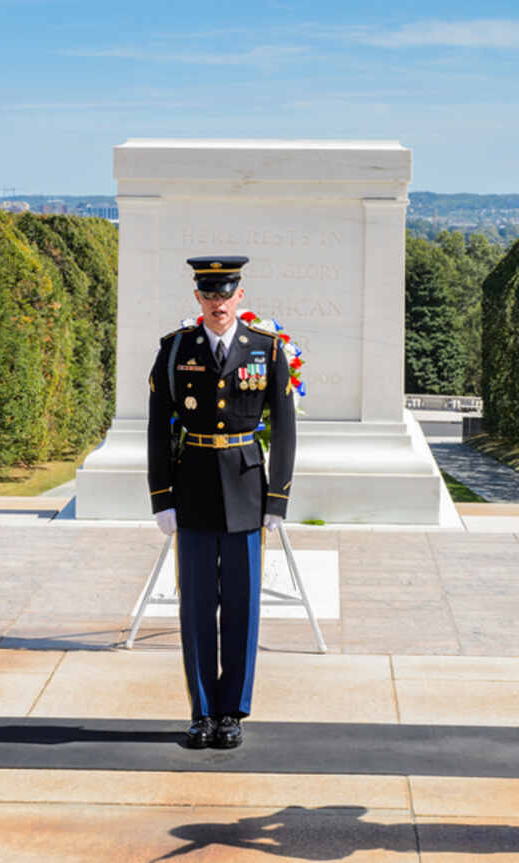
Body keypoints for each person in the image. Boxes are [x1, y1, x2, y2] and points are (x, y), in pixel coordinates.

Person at [146, 255, 297, 749]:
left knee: (240, 606)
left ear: (240, 297)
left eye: (225, 294)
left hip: (246, 489)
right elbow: (156, 427)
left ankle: (232, 710)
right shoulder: (176, 350)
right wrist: (161, 497)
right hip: (192, 487)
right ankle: (202, 712)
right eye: (209, 295)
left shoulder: (266, 350)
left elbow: (285, 430)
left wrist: (277, 498)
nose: (218, 304)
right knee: (194, 608)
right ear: (198, 299)